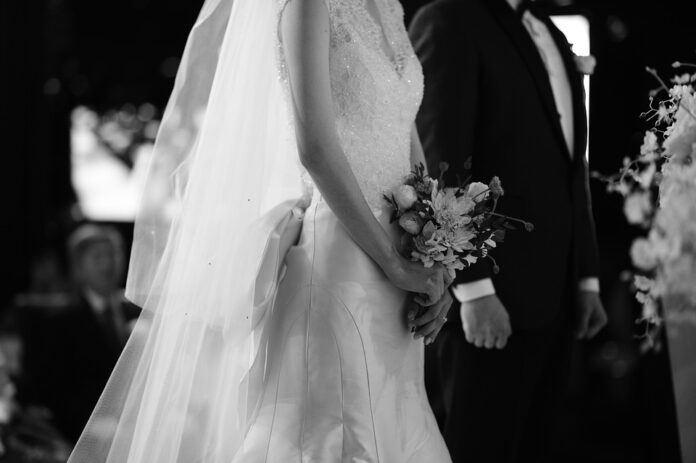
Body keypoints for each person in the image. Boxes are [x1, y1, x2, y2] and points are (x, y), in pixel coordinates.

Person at [68, 0, 453, 461]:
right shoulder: (308, 6)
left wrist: (436, 257)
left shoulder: (390, 8)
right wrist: (394, 264)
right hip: (345, 260)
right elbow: (315, 149)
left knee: (397, 427)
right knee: (337, 432)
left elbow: (406, 138)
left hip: (404, 265)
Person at [410, 0, 608, 461]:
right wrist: (474, 289)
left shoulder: (548, 31)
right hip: (492, 294)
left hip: (558, 293)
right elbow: (442, 160)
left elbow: (570, 167)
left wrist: (586, 276)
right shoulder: (450, 20)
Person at [18, 224, 138, 442]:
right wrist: (93, 425)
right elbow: (55, 389)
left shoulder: (134, 312)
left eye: (113, 254)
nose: (108, 264)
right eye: (98, 257)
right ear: (79, 267)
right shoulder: (59, 321)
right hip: (89, 429)